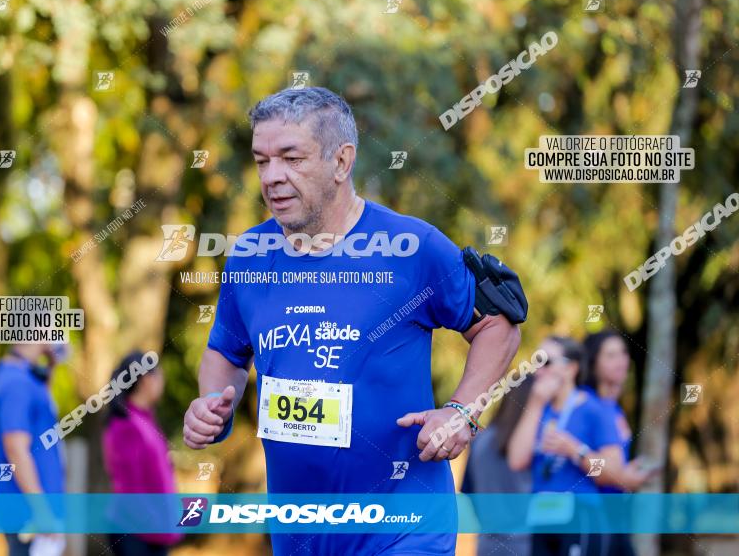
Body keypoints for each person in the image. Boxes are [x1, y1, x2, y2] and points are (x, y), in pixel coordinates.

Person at [182, 86, 525, 555]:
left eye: (291, 158)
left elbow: (498, 322)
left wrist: (463, 410)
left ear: (342, 161)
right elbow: (226, 351)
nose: (273, 177)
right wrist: (210, 406)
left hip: (404, 528)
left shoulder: (411, 247)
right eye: (262, 161)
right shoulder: (249, 255)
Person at [507, 337, 625, 556]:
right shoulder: (539, 409)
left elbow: (614, 473)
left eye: (547, 362)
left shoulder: (593, 409)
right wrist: (535, 403)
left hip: (581, 517)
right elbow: (516, 460)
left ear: (571, 368)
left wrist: (576, 451)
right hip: (542, 518)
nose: (538, 369)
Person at [0, 342, 69, 556]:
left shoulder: (15, 373)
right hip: (29, 516)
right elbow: (16, 449)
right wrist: (41, 511)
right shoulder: (16, 382)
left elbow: (40, 412)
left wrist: (51, 365)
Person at [582, 330, 658, 555]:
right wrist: (625, 478)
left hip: (618, 518)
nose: (621, 361)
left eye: (624, 353)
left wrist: (629, 471)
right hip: (593, 519)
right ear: (593, 361)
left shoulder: (614, 408)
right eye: (611, 355)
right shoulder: (585, 404)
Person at [103, 351, 182, 556]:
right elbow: (130, 489)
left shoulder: (145, 421)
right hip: (136, 533)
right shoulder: (126, 425)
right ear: (146, 380)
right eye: (160, 375)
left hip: (151, 532)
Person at [461, 378, 534, 556]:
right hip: (527, 544)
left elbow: (467, 490)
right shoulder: (529, 446)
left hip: (487, 543)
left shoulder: (480, 440)